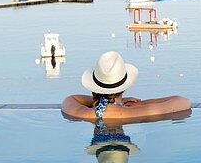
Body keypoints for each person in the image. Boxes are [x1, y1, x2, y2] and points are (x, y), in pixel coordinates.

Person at [61, 50, 191, 122]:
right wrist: (141, 104)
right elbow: (183, 102)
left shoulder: (82, 113)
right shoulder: (134, 112)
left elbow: (72, 99)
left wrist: (108, 101)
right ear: (123, 87)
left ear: (94, 86)